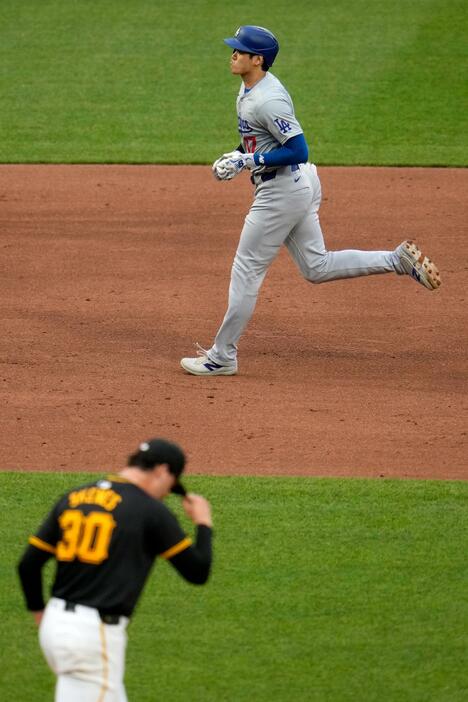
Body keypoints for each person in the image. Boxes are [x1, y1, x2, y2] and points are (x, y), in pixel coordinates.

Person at [180, 25, 441, 376]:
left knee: (246, 271)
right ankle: (396, 260)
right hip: (296, 187)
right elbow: (260, 139)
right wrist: (237, 154)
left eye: (240, 51)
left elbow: (299, 149)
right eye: (234, 49)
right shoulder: (249, 88)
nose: (233, 54)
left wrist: (249, 162)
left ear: (259, 59)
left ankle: (222, 356)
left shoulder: (267, 98)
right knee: (316, 267)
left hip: (281, 193)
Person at [17, 438, 213, 701]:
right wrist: (203, 523)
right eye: (170, 484)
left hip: (56, 627)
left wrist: (41, 614)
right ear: (162, 471)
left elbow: (28, 565)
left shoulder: (75, 498)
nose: (167, 493)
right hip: (91, 638)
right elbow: (197, 571)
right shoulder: (150, 510)